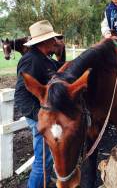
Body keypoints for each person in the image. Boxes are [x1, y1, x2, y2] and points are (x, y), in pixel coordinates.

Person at [14, 20, 64, 187]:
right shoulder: (31, 60)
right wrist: (41, 117)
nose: (55, 42)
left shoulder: (45, 59)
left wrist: (60, 53)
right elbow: (20, 96)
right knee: (43, 161)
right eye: (53, 39)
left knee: (49, 158)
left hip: (45, 115)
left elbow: (62, 71)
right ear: (44, 42)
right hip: (39, 117)